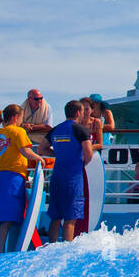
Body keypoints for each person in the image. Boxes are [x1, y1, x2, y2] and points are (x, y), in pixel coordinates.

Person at [0, 104, 45, 252]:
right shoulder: (18, 131)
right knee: (6, 220)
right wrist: (39, 158)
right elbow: (25, 151)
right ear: (15, 117)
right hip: (12, 179)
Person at [37, 100, 94, 243]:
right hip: (73, 177)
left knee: (55, 217)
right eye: (82, 112)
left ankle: (52, 247)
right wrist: (80, 163)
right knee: (70, 218)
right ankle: (67, 250)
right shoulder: (80, 129)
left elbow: (41, 149)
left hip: (57, 177)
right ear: (77, 113)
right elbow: (89, 153)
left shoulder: (55, 130)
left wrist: (59, 154)